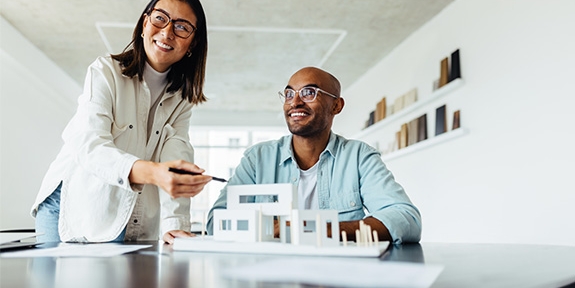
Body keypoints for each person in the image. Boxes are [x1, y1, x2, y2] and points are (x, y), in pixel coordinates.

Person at [31, 0, 212, 244]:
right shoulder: (105, 71)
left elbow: (175, 154)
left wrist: (175, 224)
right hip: (70, 204)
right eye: (160, 18)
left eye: (182, 27)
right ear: (144, 23)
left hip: (124, 210)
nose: (167, 32)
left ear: (193, 42)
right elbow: (89, 144)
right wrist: (153, 173)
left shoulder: (182, 99)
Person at [207, 67, 422, 244]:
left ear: (336, 105)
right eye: (289, 94)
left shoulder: (358, 156)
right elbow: (216, 221)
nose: (295, 102)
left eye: (309, 92)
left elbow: (406, 219)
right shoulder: (258, 158)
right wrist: (267, 227)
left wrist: (310, 228)